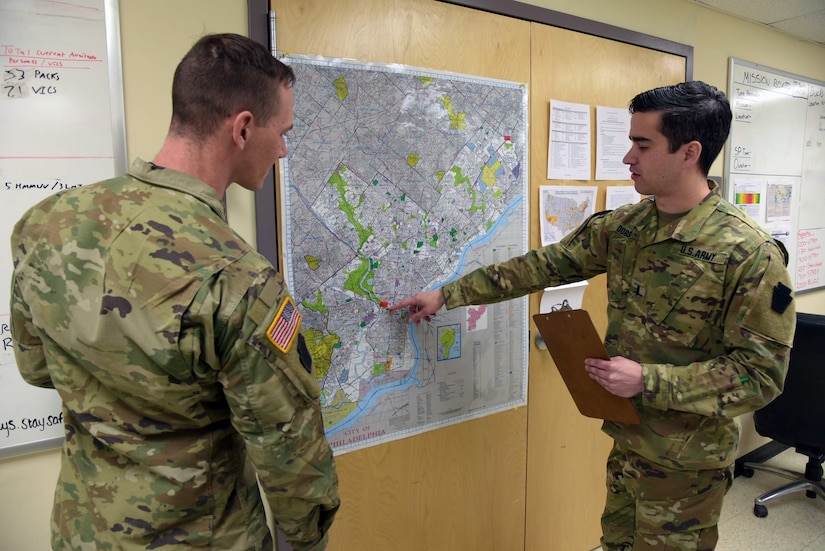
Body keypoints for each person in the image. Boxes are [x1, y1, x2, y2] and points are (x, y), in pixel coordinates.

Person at [390, 81, 795, 550]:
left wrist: (648, 380)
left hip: (688, 463)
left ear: (690, 152)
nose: (628, 157)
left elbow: (760, 376)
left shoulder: (750, 254)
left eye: (642, 145)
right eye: (629, 142)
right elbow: (542, 266)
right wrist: (447, 294)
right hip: (627, 441)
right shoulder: (625, 228)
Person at [10, 33, 339, 551]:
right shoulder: (238, 279)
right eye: (283, 132)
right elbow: (289, 455)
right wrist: (307, 540)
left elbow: (35, 368)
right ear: (244, 128)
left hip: (82, 530)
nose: (284, 149)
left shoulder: (45, 223)